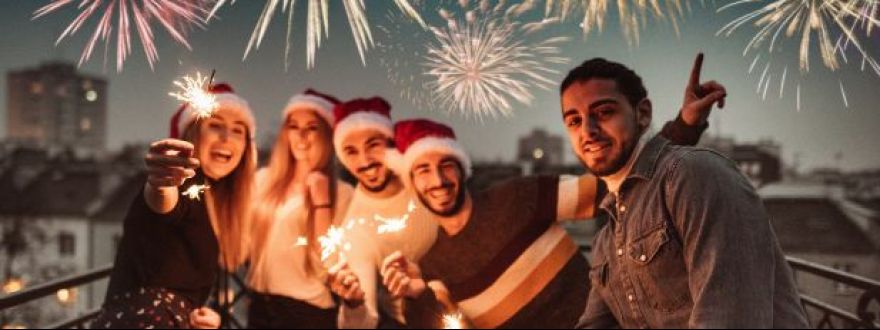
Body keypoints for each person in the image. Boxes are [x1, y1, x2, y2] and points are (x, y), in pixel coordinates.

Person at [558, 55, 810, 328]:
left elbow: (729, 319)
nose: (588, 131)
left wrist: (684, 126)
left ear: (643, 114)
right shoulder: (607, 238)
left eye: (604, 112)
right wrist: (684, 125)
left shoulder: (695, 175)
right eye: (574, 121)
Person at [94, 83, 256, 329]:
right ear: (193, 134)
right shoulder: (185, 182)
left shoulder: (214, 197)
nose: (226, 137)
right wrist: (162, 182)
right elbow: (164, 205)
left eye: (237, 130)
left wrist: (204, 315)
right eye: (215, 125)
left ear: (246, 148)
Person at [324, 97, 441, 328]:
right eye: (351, 151)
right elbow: (364, 322)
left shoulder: (428, 181)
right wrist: (354, 304)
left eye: (373, 145)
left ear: (391, 143)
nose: (364, 160)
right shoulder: (356, 228)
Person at [245, 89, 354, 329]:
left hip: (308, 313)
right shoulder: (263, 180)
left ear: (328, 135)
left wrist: (321, 203)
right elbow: (241, 244)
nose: (301, 136)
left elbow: (330, 263)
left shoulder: (343, 193)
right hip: (260, 308)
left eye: (312, 127)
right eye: (294, 126)